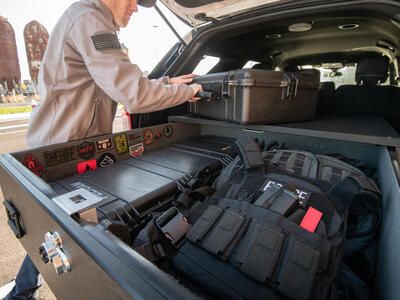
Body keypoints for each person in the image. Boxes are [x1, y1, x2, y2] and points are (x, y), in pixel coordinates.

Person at [5, 0, 202, 299]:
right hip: (63, 152)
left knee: (57, 226)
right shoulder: (90, 19)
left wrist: (165, 82)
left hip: (76, 147)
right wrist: (188, 92)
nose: (136, 8)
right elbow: (133, 95)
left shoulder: (92, 20)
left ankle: (22, 292)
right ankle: (24, 293)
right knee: (64, 230)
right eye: (135, 0)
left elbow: (114, 80)